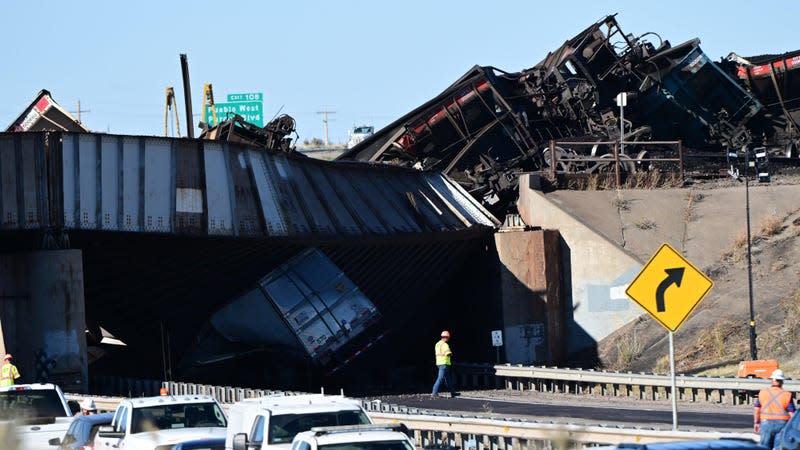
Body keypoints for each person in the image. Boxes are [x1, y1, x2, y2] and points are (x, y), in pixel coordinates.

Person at [754, 369, 795, 449]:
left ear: (772, 380)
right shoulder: (787, 395)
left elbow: (757, 409)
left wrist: (757, 422)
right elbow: (792, 413)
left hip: (766, 424)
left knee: (764, 447)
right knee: (778, 448)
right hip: (782, 425)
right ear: (782, 381)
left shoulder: (763, 392)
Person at [431, 330, 457, 398]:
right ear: (446, 337)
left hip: (439, 363)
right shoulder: (445, 344)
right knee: (440, 378)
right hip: (444, 364)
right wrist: (451, 354)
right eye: (448, 338)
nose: (448, 339)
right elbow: (448, 353)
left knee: (448, 379)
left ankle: (453, 392)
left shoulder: (437, 344)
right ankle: (434, 393)